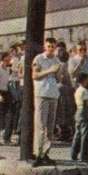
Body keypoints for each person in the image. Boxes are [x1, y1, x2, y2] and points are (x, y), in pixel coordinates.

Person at [31, 37, 62, 167]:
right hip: (42, 94)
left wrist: (58, 73)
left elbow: (59, 78)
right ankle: (38, 154)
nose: (50, 49)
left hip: (53, 94)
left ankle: (45, 153)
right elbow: (35, 75)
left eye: (53, 47)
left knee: (50, 126)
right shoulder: (39, 59)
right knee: (40, 126)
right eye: (48, 46)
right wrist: (49, 70)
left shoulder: (57, 60)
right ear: (45, 46)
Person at [70, 72, 88, 163]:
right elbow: (85, 104)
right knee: (85, 135)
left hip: (78, 111)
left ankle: (73, 153)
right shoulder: (85, 91)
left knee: (77, 134)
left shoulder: (77, 90)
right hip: (83, 112)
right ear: (84, 80)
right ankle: (84, 156)